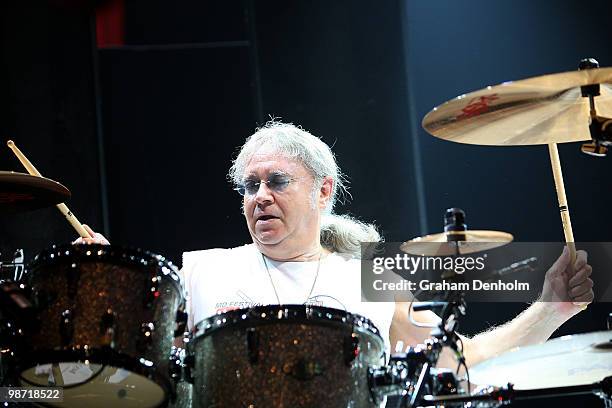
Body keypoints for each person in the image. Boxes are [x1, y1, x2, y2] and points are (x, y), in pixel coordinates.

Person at [78, 120, 594, 369]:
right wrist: (108, 285)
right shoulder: (201, 272)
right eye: (249, 186)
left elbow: (454, 364)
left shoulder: (370, 274)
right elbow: (130, 361)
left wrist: (549, 311)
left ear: (323, 190)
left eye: (277, 182)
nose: (260, 197)